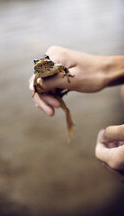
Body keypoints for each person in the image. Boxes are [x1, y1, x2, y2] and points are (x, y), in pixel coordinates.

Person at [29, 46, 124, 179]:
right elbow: (35, 81)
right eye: (37, 64)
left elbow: (61, 67)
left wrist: (108, 69)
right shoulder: (39, 74)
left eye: (44, 63)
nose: (40, 66)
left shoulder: (56, 68)